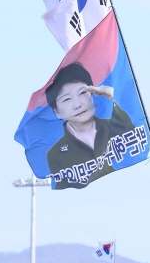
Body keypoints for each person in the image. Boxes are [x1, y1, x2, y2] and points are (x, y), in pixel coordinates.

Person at [45, 62, 135, 190]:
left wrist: (114, 97)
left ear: (93, 93)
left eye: (82, 93)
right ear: (57, 112)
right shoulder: (55, 155)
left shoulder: (116, 126)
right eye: (66, 99)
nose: (77, 104)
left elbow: (136, 141)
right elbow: (66, 195)